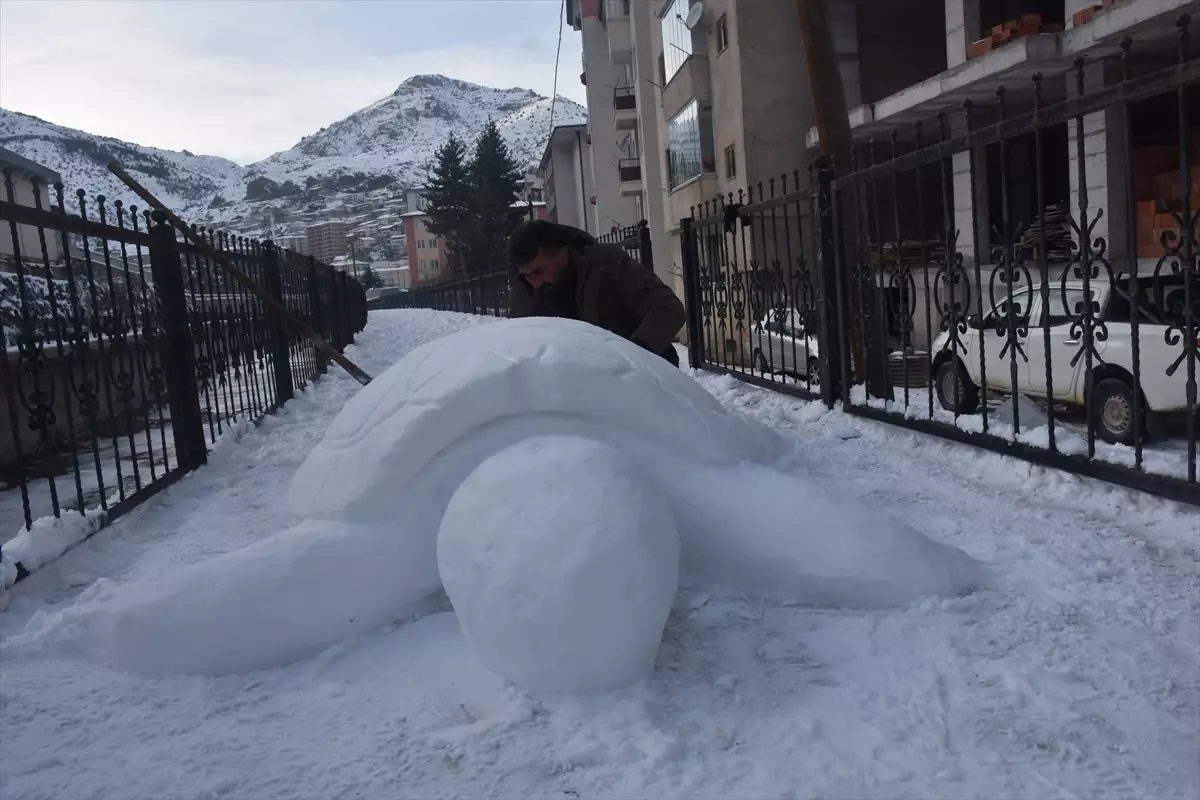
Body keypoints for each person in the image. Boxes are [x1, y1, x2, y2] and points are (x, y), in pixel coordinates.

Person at [507, 220, 686, 367]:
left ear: (562, 255)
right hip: (577, 392)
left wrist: (633, 357)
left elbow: (667, 308)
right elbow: (519, 351)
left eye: (539, 271)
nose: (535, 283)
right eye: (527, 275)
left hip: (649, 381)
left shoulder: (606, 264)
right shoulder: (523, 291)